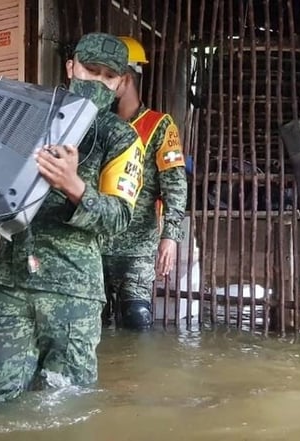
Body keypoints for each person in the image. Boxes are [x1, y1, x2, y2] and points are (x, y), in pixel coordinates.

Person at [0, 33, 145, 401]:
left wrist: (73, 186)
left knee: (66, 404)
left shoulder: (120, 138)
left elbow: (119, 218)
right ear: (71, 68)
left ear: (120, 84)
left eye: (108, 76)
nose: (97, 82)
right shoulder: (32, 115)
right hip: (11, 282)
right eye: (90, 70)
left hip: (73, 292)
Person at [101, 36, 188, 330]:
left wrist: (171, 237)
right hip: (95, 242)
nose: (101, 83)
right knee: (91, 324)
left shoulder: (159, 125)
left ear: (125, 79)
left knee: (136, 320)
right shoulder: (95, 124)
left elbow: (175, 185)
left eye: (108, 76)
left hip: (138, 246)